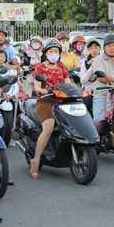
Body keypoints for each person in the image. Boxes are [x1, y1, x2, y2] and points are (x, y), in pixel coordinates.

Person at [29, 38, 72, 179]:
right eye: (51, 51)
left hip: (62, 101)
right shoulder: (40, 67)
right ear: (45, 53)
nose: (54, 53)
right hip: (46, 101)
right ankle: (36, 160)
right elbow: (37, 86)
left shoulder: (62, 68)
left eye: (56, 51)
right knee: (48, 128)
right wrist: (43, 91)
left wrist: (77, 90)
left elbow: (68, 83)